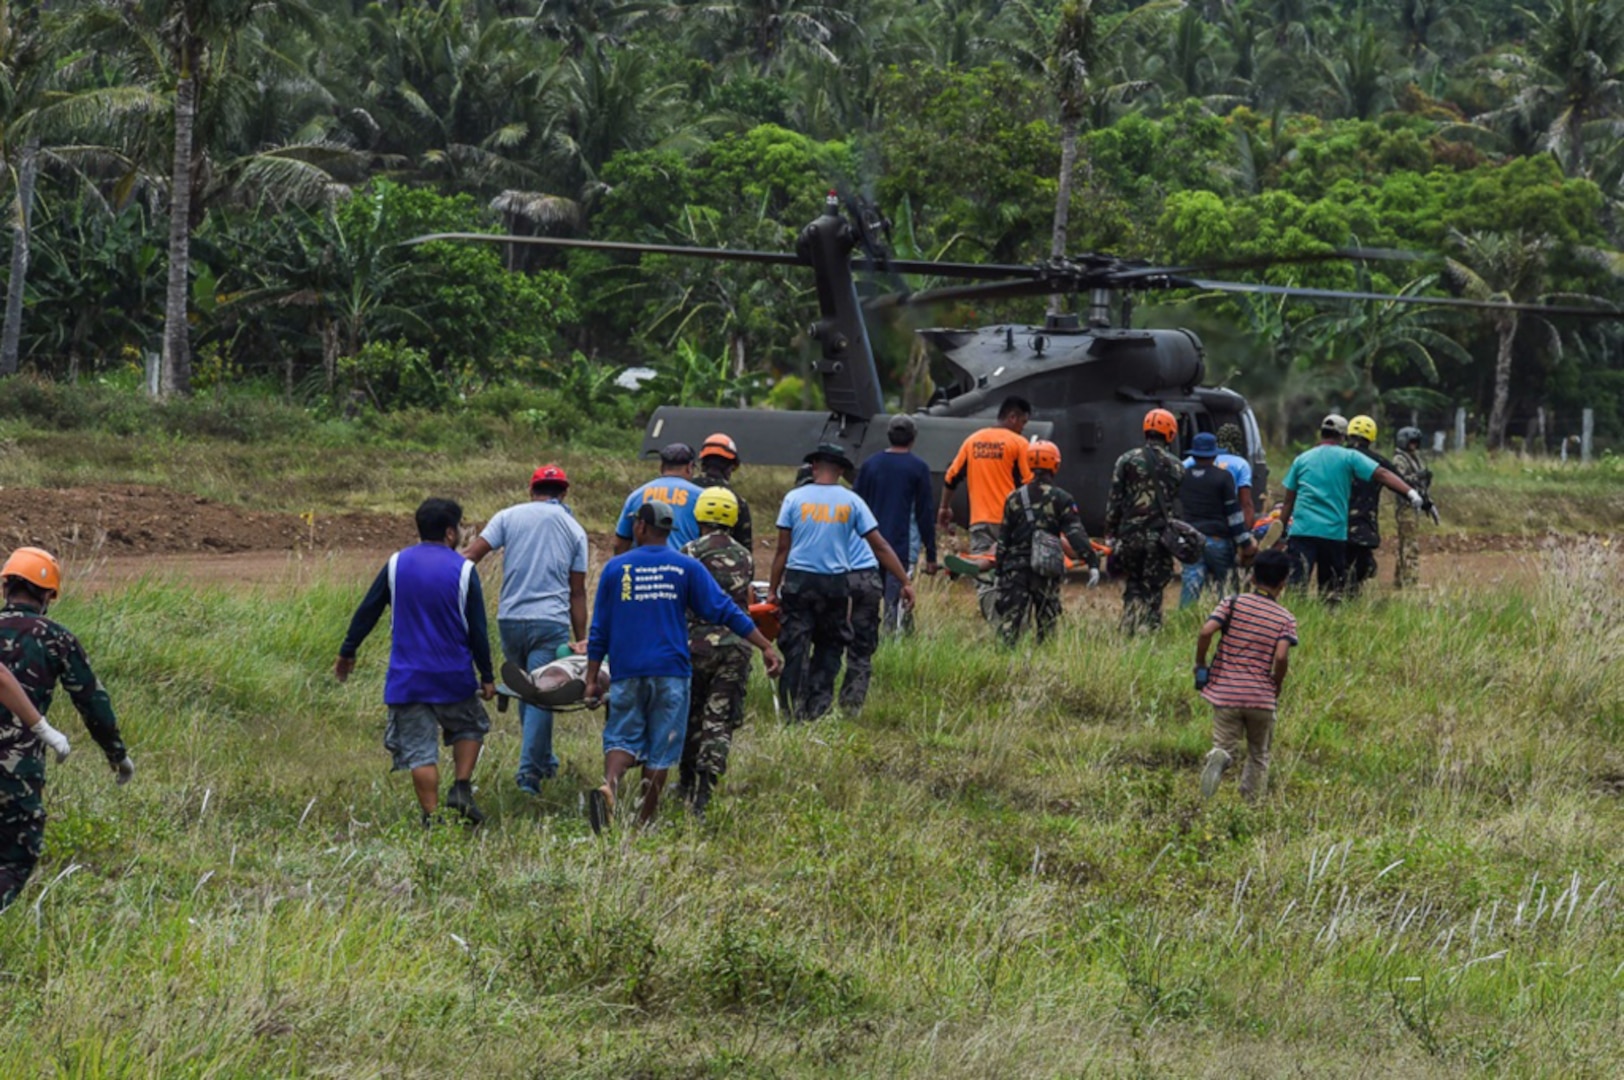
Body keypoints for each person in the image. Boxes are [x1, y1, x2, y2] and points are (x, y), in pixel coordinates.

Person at [582, 502, 781, 832]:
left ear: (642, 528)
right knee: (662, 747)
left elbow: (600, 628)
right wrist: (765, 645)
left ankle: (610, 786)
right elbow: (725, 610)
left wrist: (591, 678)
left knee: (622, 736)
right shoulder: (685, 567)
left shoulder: (617, 568)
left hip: (628, 667)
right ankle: (644, 822)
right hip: (671, 669)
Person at [337, 498, 496, 827]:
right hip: (454, 677)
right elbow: (478, 629)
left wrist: (348, 650)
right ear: (451, 532)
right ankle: (462, 787)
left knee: (420, 752)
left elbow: (369, 609)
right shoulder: (464, 570)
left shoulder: (396, 564)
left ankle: (431, 817)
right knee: (470, 726)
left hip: (407, 679)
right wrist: (487, 674)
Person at [0, 547, 134, 912]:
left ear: (6, 587)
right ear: (46, 595)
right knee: (15, 857)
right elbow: (93, 703)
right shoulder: (56, 638)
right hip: (17, 771)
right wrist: (117, 755)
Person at [463, 464, 589, 794]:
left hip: (510, 619)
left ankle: (545, 760)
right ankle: (528, 776)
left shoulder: (507, 516)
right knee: (540, 696)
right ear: (564, 493)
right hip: (549, 621)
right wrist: (582, 639)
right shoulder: (574, 528)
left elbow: (469, 558)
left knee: (526, 688)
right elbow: (577, 591)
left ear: (531, 490)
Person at [770, 443, 915, 721]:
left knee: (796, 648)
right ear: (840, 470)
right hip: (835, 585)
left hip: (799, 582)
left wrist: (773, 590)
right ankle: (817, 710)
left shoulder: (794, 499)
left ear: (813, 467)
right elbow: (880, 545)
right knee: (830, 647)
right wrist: (904, 580)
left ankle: (790, 715)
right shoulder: (852, 501)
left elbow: (782, 550)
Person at [1278, 414, 1429, 601]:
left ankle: (1294, 622)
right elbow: (1382, 473)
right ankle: (1328, 624)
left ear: (1321, 433)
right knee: (1330, 591)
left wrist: (1280, 530)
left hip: (1302, 531)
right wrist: (1411, 493)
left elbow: (1288, 502)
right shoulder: (1348, 457)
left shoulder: (1302, 459)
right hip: (1332, 533)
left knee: (1296, 587)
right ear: (1343, 436)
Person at [677, 487, 756, 820]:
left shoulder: (688, 551)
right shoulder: (745, 556)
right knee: (718, 719)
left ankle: (684, 782)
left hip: (695, 646)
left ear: (699, 516)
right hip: (735, 647)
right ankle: (704, 793)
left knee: (690, 717)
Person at [1195, 548, 1297, 802]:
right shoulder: (1285, 618)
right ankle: (1250, 803)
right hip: (1261, 698)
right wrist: (1277, 683)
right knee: (1258, 754)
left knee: (1223, 745)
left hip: (1226, 694)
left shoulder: (1232, 603)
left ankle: (1218, 758)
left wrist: (1200, 663)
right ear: (1284, 582)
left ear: (1252, 577)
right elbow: (1282, 657)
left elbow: (1206, 631)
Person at [994, 440, 1101, 645]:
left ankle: (1004, 667)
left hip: (1015, 569)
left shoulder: (1014, 498)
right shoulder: (1062, 499)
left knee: (1009, 627)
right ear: (1055, 465)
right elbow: (1075, 533)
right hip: (1045, 570)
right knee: (1047, 626)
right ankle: (1043, 668)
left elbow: (1003, 538)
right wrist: (1092, 562)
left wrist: (999, 571)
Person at [939, 397, 1034, 620]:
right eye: (1023, 422)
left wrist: (944, 507)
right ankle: (1015, 624)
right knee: (1014, 571)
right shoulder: (1019, 444)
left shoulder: (973, 440)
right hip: (1010, 523)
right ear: (1012, 417)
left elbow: (951, 477)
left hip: (980, 521)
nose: (1022, 428)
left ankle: (995, 623)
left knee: (984, 578)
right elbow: (1030, 483)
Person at [854, 414, 939, 632]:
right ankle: (894, 647)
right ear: (914, 438)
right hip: (900, 549)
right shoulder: (918, 468)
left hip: (867, 548)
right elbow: (924, 513)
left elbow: (854, 507)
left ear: (888, 436)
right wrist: (931, 553)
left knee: (868, 605)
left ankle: (869, 643)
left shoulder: (870, 465)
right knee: (897, 604)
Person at [1106, 408, 1184, 634]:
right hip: (1159, 538)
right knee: (1154, 588)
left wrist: (1110, 534)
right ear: (1170, 433)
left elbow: (1114, 501)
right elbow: (1174, 503)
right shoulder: (1177, 466)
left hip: (1130, 536)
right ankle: (1150, 630)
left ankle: (1128, 627)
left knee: (1133, 584)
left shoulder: (1126, 460)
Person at [1178, 432, 1257, 608]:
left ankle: (1183, 625)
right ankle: (1227, 626)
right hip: (1217, 540)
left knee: (1190, 588)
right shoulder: (1223, 477)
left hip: (1191, 540)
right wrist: (1245, 542)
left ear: (1193, 454)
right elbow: (1234, 515)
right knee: (1227, 592)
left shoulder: (1183, 476)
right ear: (1214, 455)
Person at [1344, 415, 1401, 597]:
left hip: (1333, 523)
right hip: (1364, 526)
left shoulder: (1337, 456)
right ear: (1372, 437)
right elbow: (1400, 483)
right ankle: (1353, 594)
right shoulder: (1379, 462)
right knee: (1359, 568)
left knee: (1337, 568)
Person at [613, 443, 705, 554]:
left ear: (661, 467)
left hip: (643, 567)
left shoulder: (636, 495)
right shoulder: (702, 497)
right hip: (683, 567)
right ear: (690, 467)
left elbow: (620, 544)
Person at [1184, 422, 1255, 530]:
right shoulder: (1241, 464)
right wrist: (1245, 536)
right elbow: (1246, 504)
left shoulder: (1191, 461)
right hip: (1220, 527)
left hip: (1191, 526)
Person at [696, 432, 753, 555]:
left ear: (703, 464)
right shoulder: (736, 500)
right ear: (730, 467)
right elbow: (745, 549)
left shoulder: (685, 492)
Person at [1391, 426, 1433, 589]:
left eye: (1416, 443)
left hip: (1413, 505)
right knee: (1410, 544)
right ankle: (1410, 581)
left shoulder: (1412, 457)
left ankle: (1400, 579)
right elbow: (1400, 480)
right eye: (1411, 443)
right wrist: (1418, 476)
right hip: (1405, 506)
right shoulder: (1400, 459)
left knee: (1405, 543)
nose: (1414, 446)